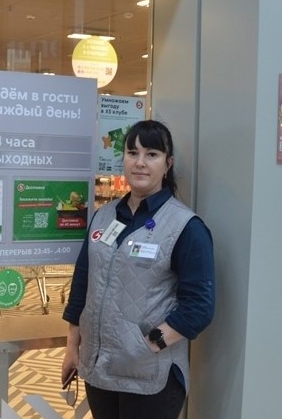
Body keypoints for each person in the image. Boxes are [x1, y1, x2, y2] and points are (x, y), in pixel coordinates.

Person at [61, 120, 215, 419]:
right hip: (99, 370)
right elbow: (82, 285)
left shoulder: (185, 226)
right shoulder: (104, 216)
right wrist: (72, 347)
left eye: (152, 154)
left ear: (168, 164)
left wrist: (145, 346)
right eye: (133, 153)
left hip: (150, 378)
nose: (140, 162)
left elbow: (199, 307)